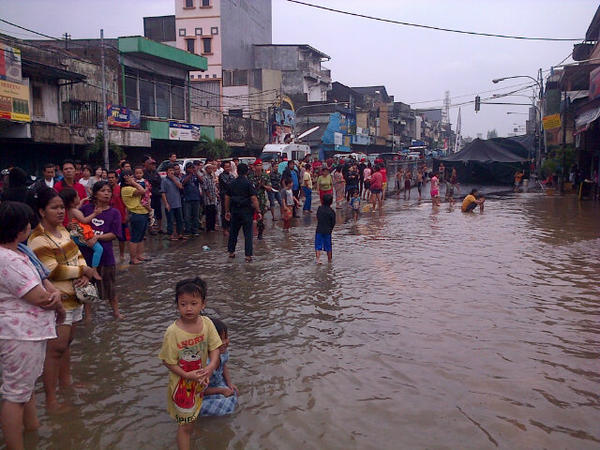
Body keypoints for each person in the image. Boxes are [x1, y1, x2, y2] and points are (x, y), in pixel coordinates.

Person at [0, 201, 65, 449]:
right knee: (15, 394)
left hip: (26, 333)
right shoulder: (8, 260)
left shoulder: (18, 252)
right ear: (20, 229)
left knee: (24, 389)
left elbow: (42, 284)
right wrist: (56, 300)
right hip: (19, 334)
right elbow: (38, 297)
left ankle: (32, 430)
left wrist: (53, 295)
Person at [28, 188, 97, 411]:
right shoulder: (37, 239)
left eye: (61, 207)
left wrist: (85, 270)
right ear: (41, 211)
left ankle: (66, 383)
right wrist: (82, 272)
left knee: (66, 345)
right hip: (58, 302)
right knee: (55, 350)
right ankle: (50, 400)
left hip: (74, 298)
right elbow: (51, 270)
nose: (60, 212)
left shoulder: (63, 231)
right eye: (54, 208)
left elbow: (77, 254)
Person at [158, 277, 222, 450]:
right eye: (183, 304)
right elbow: (167, 361)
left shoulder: (207, 323)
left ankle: (191, 437)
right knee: (185, 426)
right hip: (182, 385)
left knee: (191, 420)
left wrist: (210, 367)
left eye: (193, 303)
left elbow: (215, 348)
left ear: (203, 304)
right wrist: (186, 375)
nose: (188, 308)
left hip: (199, 383)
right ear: (177, 305)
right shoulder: (173, 332)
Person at [79, 181, 123, 320]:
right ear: (95, 193)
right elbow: (76, 227)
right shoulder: (86, 210)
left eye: (109, 191)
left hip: (106, 256)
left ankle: (116, 312)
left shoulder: (114, 212)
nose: (106, 193)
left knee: (110, 286)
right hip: (86, 256)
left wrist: (97, 237)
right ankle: (88, 316)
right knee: (87, 287)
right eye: (103, 191)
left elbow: (115, 234)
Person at [59, 188, 103, 282]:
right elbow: (84, 220)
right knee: (99, 249)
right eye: (78, 196)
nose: (79, 197)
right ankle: (94, 270)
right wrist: (95, 213)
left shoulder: (71, 210)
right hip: (80, 235)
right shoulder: (75, 211)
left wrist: (82, 201)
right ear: (72, 201)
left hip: (75, 235)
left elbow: (77, 208)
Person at [200, 318, 238, 416]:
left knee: (233, 393)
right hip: (202, 393)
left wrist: (229, 384)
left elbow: (223, 366)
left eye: (226, 338)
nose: (225, 342)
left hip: (216, 384)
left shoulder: (222, 354)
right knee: (226, 404)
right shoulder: (204, 364)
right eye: (220, 339)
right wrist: (221, 390)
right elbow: (199, 390)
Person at [224, 163, 261, 262]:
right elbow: (254, 198)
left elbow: (227, 198)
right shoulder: (248, 183)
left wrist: (227, 211)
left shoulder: (231, 183)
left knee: (233, 232)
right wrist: (258, 211)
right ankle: (248, 255)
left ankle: (231, 252)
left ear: (237, 171)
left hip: (235, 211)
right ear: (247, 172)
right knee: (248, 234)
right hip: (246, 211)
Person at [120, 170, 149, 264]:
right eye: (131, 177)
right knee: (135, 237)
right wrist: (133, 183)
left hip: (142, 212)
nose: (134, 179)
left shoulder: (131, 188)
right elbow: (142, 190)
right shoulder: (126, 189)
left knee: (140, 236)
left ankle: (139, 255)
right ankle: (133, 258)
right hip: (136, 213)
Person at [108, 171, 129, 261]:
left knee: (121, 238)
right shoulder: (106, 190)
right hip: (108, 217)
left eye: (113, 177)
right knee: (108, 237)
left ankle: (121, 255)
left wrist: (127, 215)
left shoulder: (121, 189)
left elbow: (126, 203)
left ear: (116, 179)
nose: (111, 179)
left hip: (121, 217)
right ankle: (110, 254)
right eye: (109, 178)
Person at [248, 160, 271, 240]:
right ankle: (250, 233)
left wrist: (263, 186)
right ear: (254, 167)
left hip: (261, 199)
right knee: (250, 217)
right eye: (257, 165)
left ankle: (260, 234)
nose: (259, 167)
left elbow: (269, 188)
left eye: (260, 165)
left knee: (260, 217)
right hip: (251, 199)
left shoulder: (265, 176)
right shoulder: (250, 176)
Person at [162, 164, 185, 241]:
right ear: (167, 172)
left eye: (172, 170)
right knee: (170, 220)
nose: (172, 172)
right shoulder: (164, 181)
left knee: (179, 219)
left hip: (177, 203)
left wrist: (173, 179)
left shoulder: (176, 179)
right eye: (170, 171)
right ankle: (171, 235)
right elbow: (163, 193)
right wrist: (166, 204)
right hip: (169, 203)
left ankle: (180, 234)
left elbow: (180, 187)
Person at [181, 162, 202, 237]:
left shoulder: (195, 176)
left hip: (196, 198)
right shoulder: (184, 176)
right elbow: (183, 183)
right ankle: (187, 230)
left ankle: (195, 230)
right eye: (189, 168)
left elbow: (202, 181)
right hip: (187, 199)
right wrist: (190, 174)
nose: (191, 169)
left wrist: (196, 173)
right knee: (187, 216)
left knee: (196, 215)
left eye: (192, 168)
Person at [315, 194, 336, 264]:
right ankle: (329, 260)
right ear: (331, 202)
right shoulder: (332, 212)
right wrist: (331, 229)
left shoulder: (319, 209)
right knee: (328, 246)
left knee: (318, 245)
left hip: (319, 229)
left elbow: (317, 217)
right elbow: (333, 222)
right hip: (328, 231)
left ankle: (318, 259)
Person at [144, 158, 163, 233]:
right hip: (149, 195)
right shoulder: (145, 173)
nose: (153, 166)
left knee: (159, 212)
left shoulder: (156, 173)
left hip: (157, 195)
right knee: (150, 212)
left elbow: (158, 181)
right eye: (151, 164)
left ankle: (160, 227)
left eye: (154, 164)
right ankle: (150, 228)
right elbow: (148, 181)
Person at [218, 161, 236, 234]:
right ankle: (225, 228)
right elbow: (227, 184)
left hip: (232, 196)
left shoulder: (232, 175)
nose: (228, 168)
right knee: (225, 211)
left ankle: (230, 227)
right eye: (226, 167)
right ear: (223, 167)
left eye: (229, 166)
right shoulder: (221, 176)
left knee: (232, 211)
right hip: (224, 196)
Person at [202, 164, 218, 232]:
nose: (210, 170)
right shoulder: (204, 178)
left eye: (211, 168)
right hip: (208, 198)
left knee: (214, 212)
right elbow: (205, 188)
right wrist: (209, 196)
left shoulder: (212, 177)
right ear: (206, 169)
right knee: (209, 213)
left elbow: (213, 187)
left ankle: (213, 227)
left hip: (213, 197)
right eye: (209, 169)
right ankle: (209, 228)